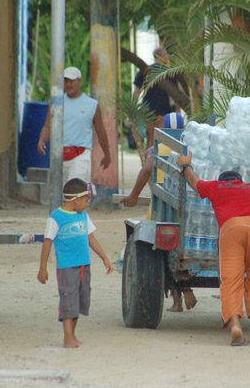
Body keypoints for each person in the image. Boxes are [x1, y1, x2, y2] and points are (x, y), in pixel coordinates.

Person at [177, 153, 250, 346]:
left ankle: (235, 325)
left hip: (232, 228)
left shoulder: (216, 187)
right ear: (239, 181)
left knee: (231, 280)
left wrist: (186, 165)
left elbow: (194, 181)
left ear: (223, 181)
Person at [122, 113, 196, 312]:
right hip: (189, 206)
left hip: (161, 204)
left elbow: (147, 169)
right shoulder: (192, 149)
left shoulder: (155, 149)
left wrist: (133, 196)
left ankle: (177, 301)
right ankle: (185, 288)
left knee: (161, 253)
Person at [37, 178, 113, 348]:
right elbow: (47, 242)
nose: (87, 205)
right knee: (68, 300)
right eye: (86, 201)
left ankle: (72, 335)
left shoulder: (83, 215)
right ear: (76, 199)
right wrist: (42, 269)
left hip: (84, 266)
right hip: (66, 267)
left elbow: (90, 237)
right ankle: (67, 338)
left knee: (79, 301)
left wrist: (104, 258)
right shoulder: (56, 218)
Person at [37, 67, 112, 184]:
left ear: (80, 81)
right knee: (58, 194)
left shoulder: (92, 105)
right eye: (66, 81)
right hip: (58, 154)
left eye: (72, 80)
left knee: (74, 191)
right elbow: (48, 126)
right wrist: (41, 140)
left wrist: (107, 154)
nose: (68, 84)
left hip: (80, 155)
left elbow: (100, 131)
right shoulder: (56, 102)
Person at [133, 47, 182, 148]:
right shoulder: (168, 72)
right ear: (162, 56)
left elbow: (137, 92)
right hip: (163, 108)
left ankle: (149, 162)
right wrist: (178, 111)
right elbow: (175, 94)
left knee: (150, 138)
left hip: (147, 109)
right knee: (162, 139)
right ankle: (160, 162)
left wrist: (134, 109)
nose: (168, 57)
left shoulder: (145, 70)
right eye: (166, 55)